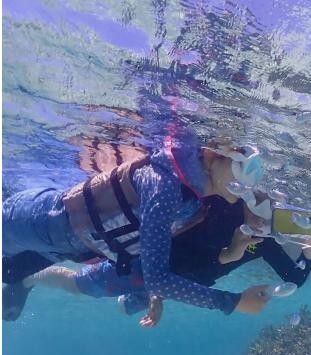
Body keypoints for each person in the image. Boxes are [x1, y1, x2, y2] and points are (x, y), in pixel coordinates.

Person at [3, 126, 274, 320]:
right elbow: (157, 279)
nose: (246, 183)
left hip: (67, 246)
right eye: (242, 168)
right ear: (213, 156)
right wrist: (232, 302)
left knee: (8, 273)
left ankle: (21, 283)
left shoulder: (191, 198)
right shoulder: (165, 186)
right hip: (40, 221)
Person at [11, 194, 311, 326]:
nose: (262, 220)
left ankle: (143, 297)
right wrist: (229, 254)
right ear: (246, 197)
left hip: (182, 283)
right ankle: (29, 278)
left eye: (272, 215)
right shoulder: (219, 204)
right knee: (81, 285)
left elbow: (296, 279)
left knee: (127, 305)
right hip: (145, 266)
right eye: (258, 207)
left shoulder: (263, 242)